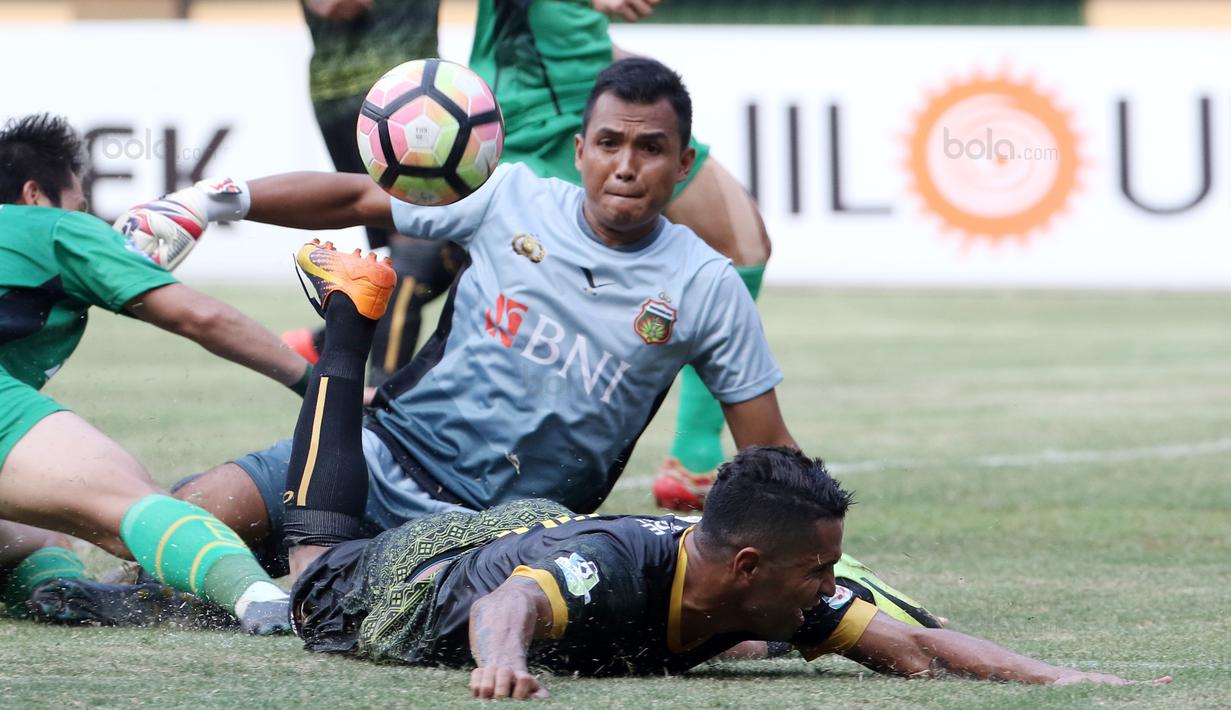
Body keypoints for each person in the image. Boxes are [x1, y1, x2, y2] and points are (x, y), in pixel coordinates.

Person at [35, 60, 931, 633]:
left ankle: (230, 597)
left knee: (322, 600)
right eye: (609, 143)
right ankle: (111, 584)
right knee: (182, 521)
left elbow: (765, 454)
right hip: (379, 448)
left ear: (679, 160)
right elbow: (356, 198)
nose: (626, 165)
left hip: (496, 526)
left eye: (650, 149)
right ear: (579, 149)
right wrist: (212, 201)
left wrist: (812, 572)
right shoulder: (510, 200)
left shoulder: (703, 286)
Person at [254, 258, 1171, 699]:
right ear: (745, 567)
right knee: (314, 569)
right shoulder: (610, 572)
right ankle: (349, 313)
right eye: (815, 572)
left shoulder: (769, 589)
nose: (824, 588)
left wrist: (1057, 676)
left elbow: (909, 644)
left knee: (823, 630)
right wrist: (501, 666)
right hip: (416, 580)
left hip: (533, 528)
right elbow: (515, 606)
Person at [0, 113, 313, 632]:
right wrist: (313, 382)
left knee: (39, 540)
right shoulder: (55, 228)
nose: (84, 217)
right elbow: (202, 316)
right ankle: (261, 599)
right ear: (35, 194)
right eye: (81, 206)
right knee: (132, 506)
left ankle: (50, 594)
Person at [469, 0, 773, 510]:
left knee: (743, 242)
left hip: (589, 83)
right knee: (529, 283)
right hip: (530, 104)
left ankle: (693, 458)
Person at [285, 0, 465, 386]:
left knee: (451, 241)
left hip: (409, 91)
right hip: (386, 97)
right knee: (418, 245)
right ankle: (377, 401)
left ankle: (327, 342)